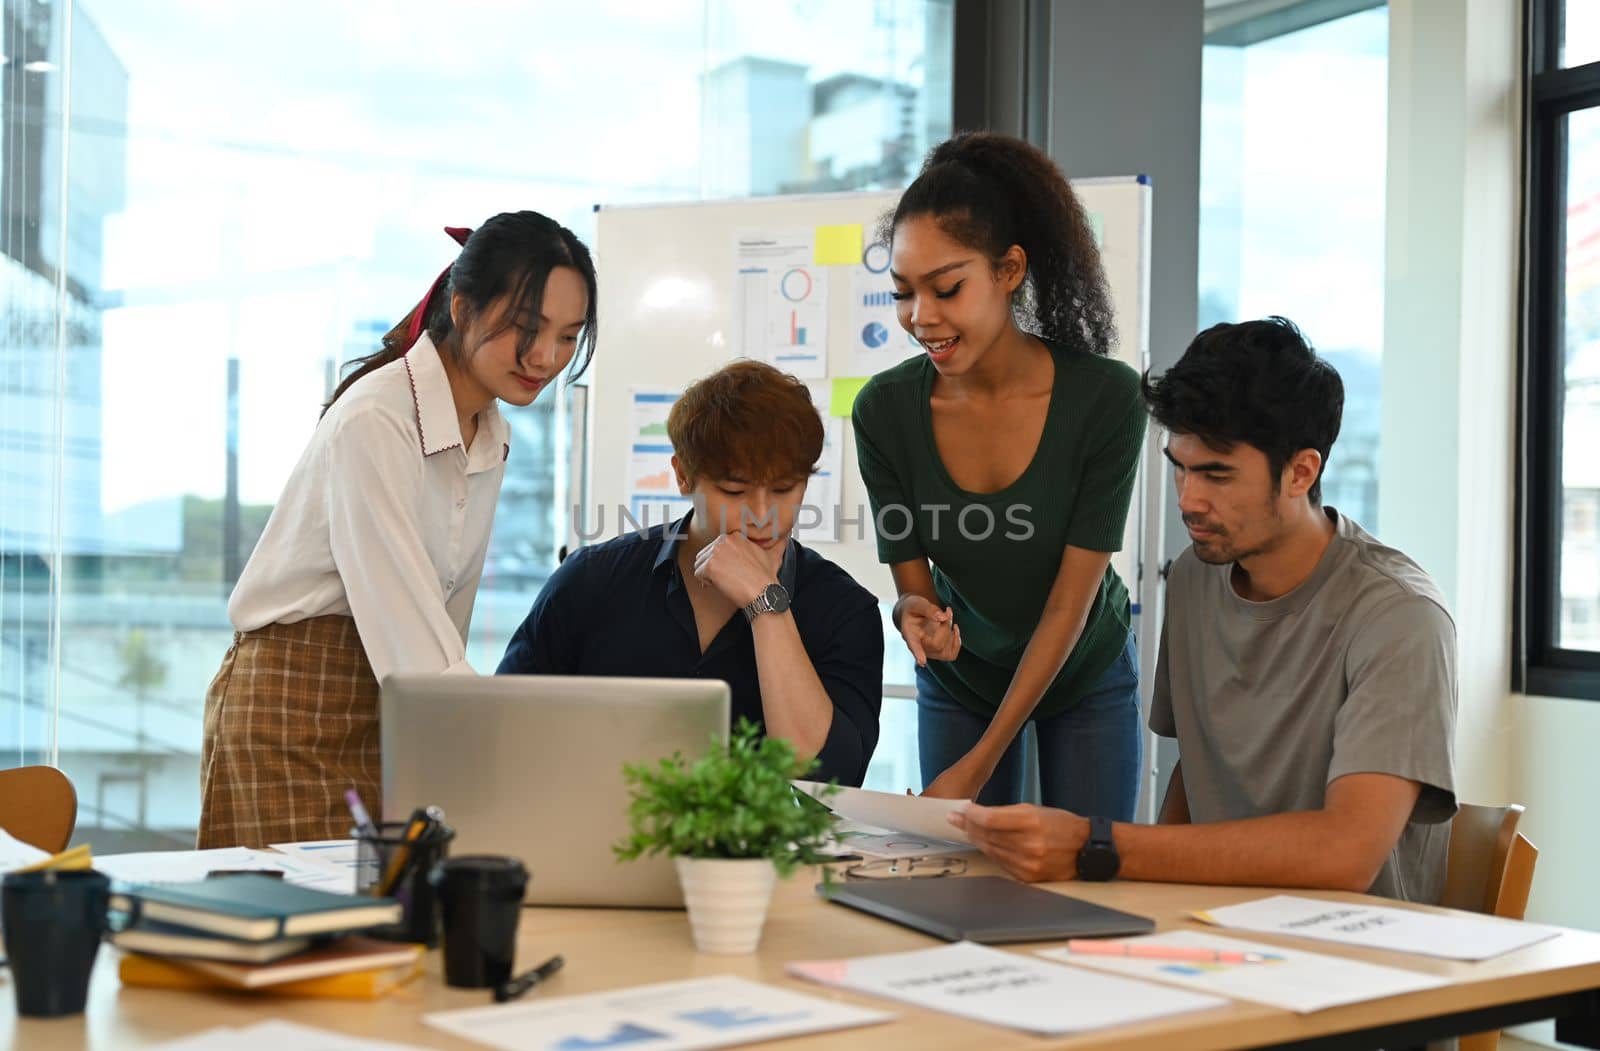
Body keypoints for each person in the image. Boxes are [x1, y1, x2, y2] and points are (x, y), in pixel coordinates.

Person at [951, 317, 1458, 903]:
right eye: (1180, 467)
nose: (1188, 500)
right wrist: (1143, 906)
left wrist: (1097, 846)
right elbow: (1196, 774)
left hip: (1356, 958)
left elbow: (1345, 854)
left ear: (1301, 472)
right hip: (1217, 933)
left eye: (1216, 474)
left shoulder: (1400, 616)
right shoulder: (1196, 575)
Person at [199, 211, 597, 848]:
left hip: (396, 700)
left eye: (568, 337)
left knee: (391, 920)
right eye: (526, 329)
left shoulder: (491, 432)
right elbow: (405, 617)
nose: (547, 358)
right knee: (320, 933)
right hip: (297, 703)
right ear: (463, 309)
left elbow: (445, 616)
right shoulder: (377, 417)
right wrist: (495, 744)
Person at [851, 131, 1147, 814]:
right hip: (963, 678)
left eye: (947, 288)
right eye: (902, 293)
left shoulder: (1106, 399)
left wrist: (978, 764)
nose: (921, 318)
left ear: (1009, 270)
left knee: (1090, 872)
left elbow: (1068, 606)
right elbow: (914, 588)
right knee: (961, 884)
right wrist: (914, 616)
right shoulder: (885, 411)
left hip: (1082, 663)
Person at [497, 360, 883, 786]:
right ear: (683, 475)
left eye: (783, 489)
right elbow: (504, 731)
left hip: (767, 851)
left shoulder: (844, 609)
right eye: (734, 491)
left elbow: (829, 783)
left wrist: (766, 605)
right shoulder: (590, 582)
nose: (762, 515)